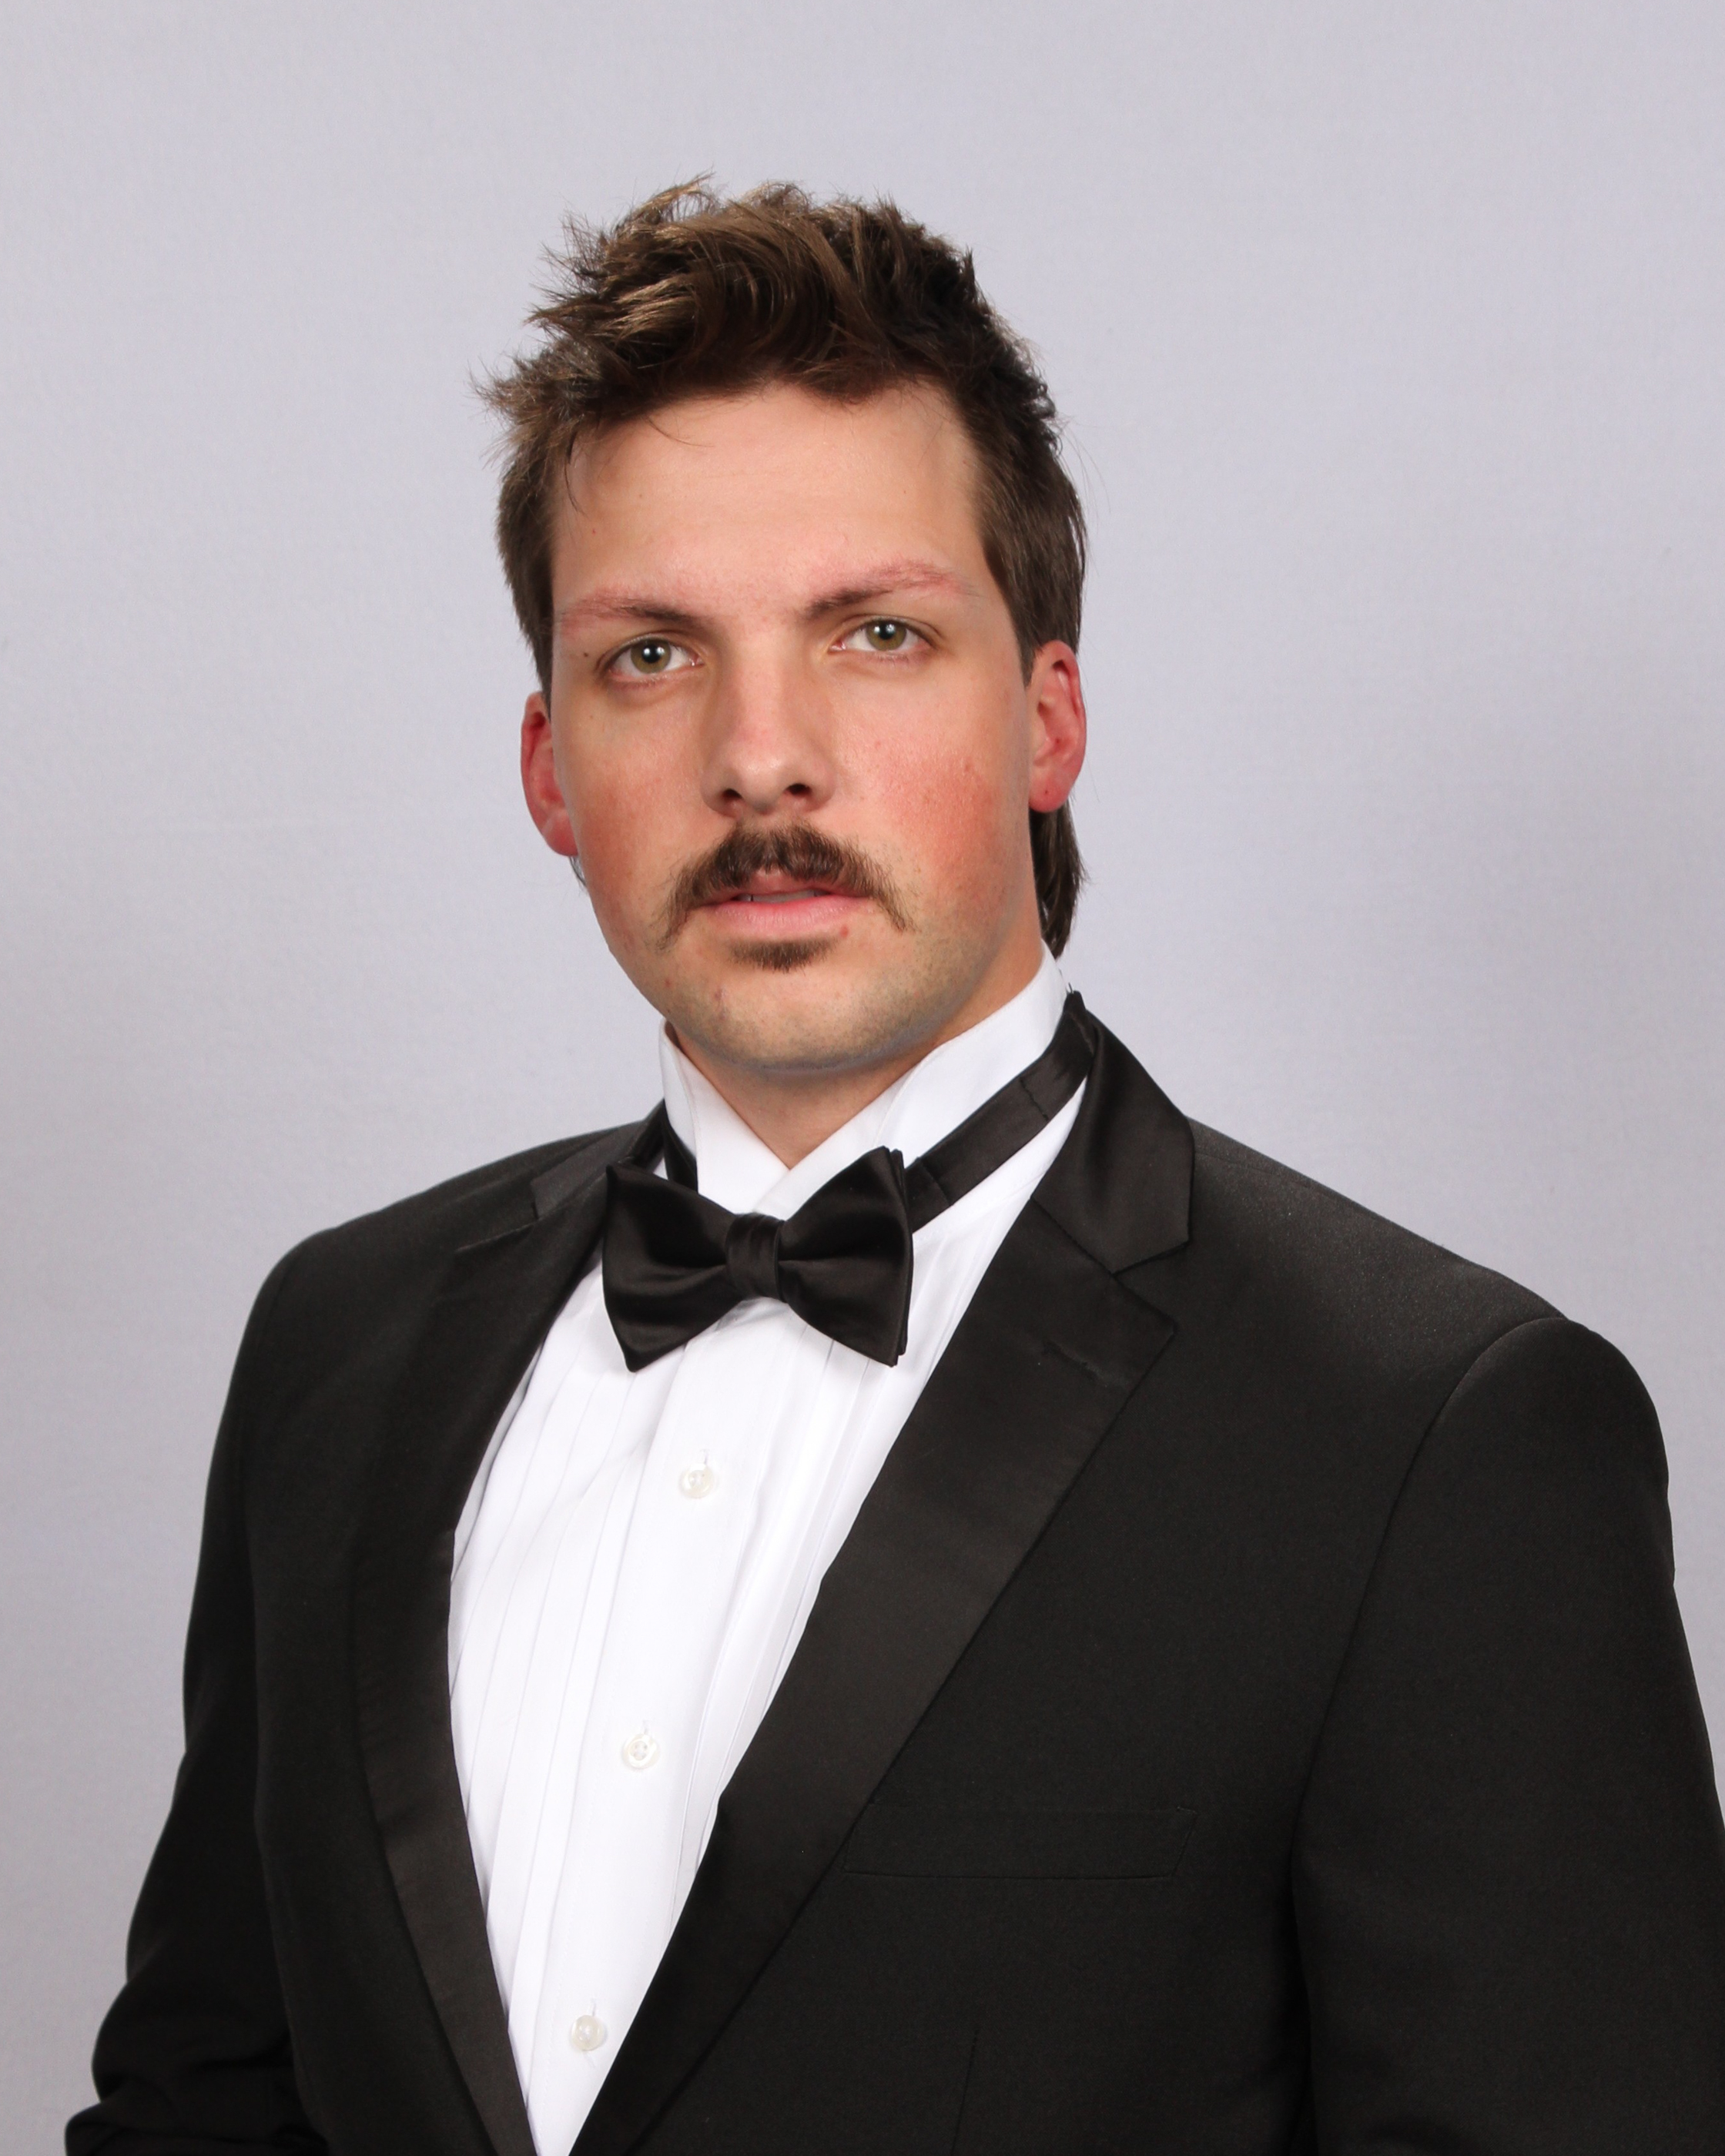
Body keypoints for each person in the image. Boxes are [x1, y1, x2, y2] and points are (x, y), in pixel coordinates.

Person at [70, 182, 1725, 2156]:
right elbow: (203, 2105)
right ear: (546, 768)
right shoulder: (335, 1346)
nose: (761, 755)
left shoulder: (1438, 1434)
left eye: (875, 633)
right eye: (651, 654)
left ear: (1046, 720)